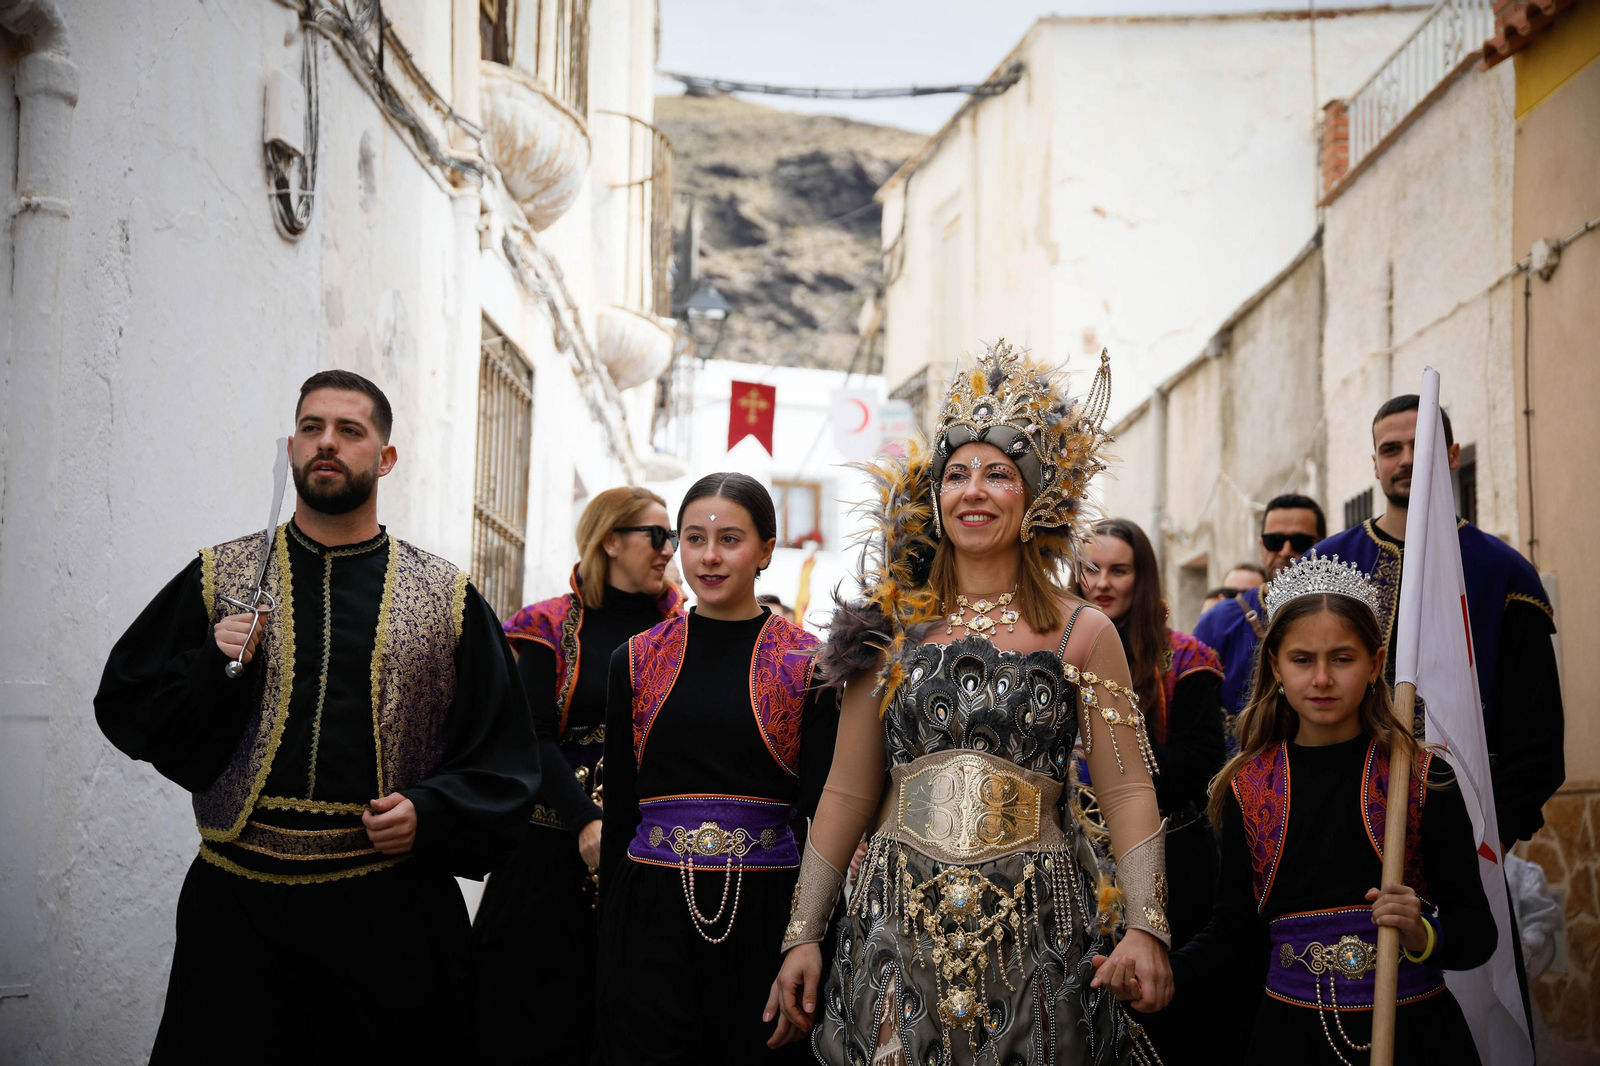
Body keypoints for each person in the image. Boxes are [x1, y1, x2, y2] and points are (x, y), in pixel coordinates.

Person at [95, 370, 540, 1061]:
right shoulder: (223, 575)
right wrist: (212, 664)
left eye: (348, 430)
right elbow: (128, 702)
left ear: (385, 458)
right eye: (312, 428)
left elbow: (506, 756)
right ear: (293, 447)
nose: (326, 442)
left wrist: (430, 811)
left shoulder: (446, 595)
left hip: (389, 914)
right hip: (237, 914)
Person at [770, 343, 1169, 1066]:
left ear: (1037, 497)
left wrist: (1146, 925)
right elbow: (847, 791)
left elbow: (1129, 790)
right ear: (934, 495)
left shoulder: (1085, 631)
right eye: (956, 474)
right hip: (896, 924)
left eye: (998, 474)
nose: (973, 492)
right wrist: (803, 933)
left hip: (1038, 928)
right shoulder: (885, 629)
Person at [1169, 554, 1498, 1064]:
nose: (1322, 678)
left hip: (1416, 1032)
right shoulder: (1249, 788)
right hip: (1289, 1039)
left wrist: (1422, 932)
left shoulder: (1420, 779)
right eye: (1302, 660)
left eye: (1342, 659)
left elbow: (1477, 933)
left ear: (1375, 663)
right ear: (1275, 666)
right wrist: (1165, 971)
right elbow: (1233, 931)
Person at [595, 472, 839, 1064]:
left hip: (768, 913)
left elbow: (825, 814)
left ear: (765, 550)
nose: (709, 556)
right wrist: (609, 933)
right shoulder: (635, 660)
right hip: (649, 910)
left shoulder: (809, 664)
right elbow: (621, 808)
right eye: (694, 538)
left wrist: (809, 937)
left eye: (730, 539)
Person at [473, 486, 683, 1064]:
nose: (669, 550)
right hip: (549, 850)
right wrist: (585, 820)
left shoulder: (681, 630)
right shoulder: (549, 624)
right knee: (534, 1019)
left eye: (671, 537)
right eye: (657, 535)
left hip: (647, 853)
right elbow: (531, 736)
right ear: (611, 541)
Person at [1311, 395, 1563, 851]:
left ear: (1452, 455)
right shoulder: (1325, 565)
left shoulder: (1505, 575)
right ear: (1375, 464)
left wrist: (1486, 841)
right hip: (1334, 822)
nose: (1407, 459)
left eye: (1422, 446)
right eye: (1391, 449)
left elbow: (1535, 735)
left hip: (1466, 829)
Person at [1078, 518, 1226, 950]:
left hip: (1171, 853)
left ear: (1142, 577)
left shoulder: (1186, 657)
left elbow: (1202, 758)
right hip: (1074, 857)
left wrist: (1101, 767)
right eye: (1091, 568)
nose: (1102, 583)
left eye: (1119, 570)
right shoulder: (1051, 651)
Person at [1195, 494, 1327, 724]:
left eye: (1300, 542)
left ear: (1322, 546)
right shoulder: (1219, 620)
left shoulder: (1341, 616)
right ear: (1261, 547)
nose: (1285, 551)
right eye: (1274, 541)